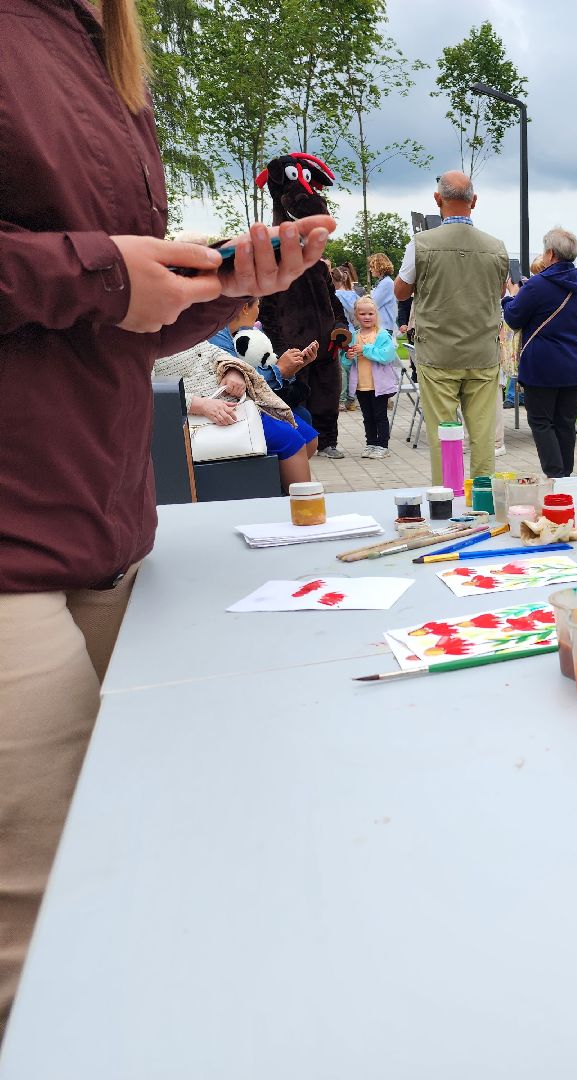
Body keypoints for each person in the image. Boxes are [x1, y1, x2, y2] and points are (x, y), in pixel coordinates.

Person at [0, 0, 333, 1033]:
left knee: (135, 863)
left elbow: (105, 330)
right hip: (18, 551)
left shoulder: (107, 48)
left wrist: (222, 288)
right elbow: (87, 286)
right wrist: (104, 272)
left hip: (106, 530)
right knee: (40, 923)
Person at [394, 172, 509, 484]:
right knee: (482, 434)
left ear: (437, 199)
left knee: (444, 434)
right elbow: (499, 291)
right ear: (474, 201)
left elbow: (400, 292)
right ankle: (483, 497)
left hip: (437, 353)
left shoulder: (420, 244)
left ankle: (449, 497)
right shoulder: (496, 247)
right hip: (482, 353)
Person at [153, 335, 320, 489]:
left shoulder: (182, 326)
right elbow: (147, 392)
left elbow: (215, 352)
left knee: (309, 438)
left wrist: (234, 371)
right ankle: (303, 504)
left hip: (235, 402)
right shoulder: (145, 341)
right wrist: (202, 405)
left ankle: (276, 490)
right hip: (200, 417)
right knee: (291, 441)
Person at [501, 226, 577, 478]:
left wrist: (511, 296)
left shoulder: (537, 285)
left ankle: (555, 475)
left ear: (551, 254)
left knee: (541, 421)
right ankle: (565, 475)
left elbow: (513, 318)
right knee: (565, 421)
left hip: (542, 365)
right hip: (576, 364)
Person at [343, 296, 400, 458]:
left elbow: (387, 356)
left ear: (376, 315)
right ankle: (371, 443)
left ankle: (383, 445)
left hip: (379, 386)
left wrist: (365, 349)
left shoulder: (382, 335)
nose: (367, 317)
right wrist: (348, 356)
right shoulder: (354, 336)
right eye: (362, 314)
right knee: (367, 417)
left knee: (380, 416)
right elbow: (346, 363)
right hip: (361, 385)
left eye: (370, 313)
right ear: (356, 316)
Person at [333, 264, 360, 412]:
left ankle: (341, 400)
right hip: (352, 333)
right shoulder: (353, 294)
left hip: (339, 334)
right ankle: (351, 398)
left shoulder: (335, 296)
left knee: (341, 368)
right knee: (351, 367)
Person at [368, 252, 399, 334]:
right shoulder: (382, 282)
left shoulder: (386, 283)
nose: (370, 270)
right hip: (381, 326)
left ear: (379, 266)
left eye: (372, 267)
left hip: (384, 327)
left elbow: (373, 303)